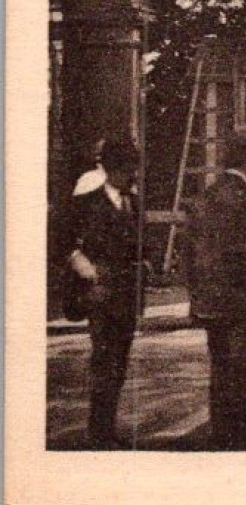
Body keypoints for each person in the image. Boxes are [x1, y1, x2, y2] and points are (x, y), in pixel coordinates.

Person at [182, 131, 246, 450]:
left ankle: (221, 435)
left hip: (212, 301)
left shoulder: (208, 195)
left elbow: (190, 252)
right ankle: (242, 437)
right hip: (243, 301)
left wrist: (197, 295)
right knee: (245, 371)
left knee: (221, 369)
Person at [64, 137, 144, 448]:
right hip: (100, 293)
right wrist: (84, 267)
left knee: (119, 362)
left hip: (126, 294)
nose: (132, 175)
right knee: (104, 361)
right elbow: (63, 243)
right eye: (127, 169)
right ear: (111, 169)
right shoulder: (88, 202)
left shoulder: (133, 203)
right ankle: (98, 431)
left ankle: (107, 428)